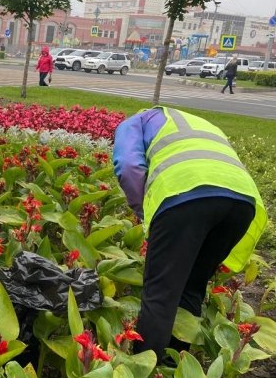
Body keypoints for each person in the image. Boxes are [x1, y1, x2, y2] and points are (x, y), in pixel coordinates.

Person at [112, 106, 267, 364]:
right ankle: (175, 368)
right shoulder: (197, 123)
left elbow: (128, 166)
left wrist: (146, 212)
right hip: (242, 202)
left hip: (185, 194)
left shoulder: (134, 122)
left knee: (160, 294)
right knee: (191, 288)